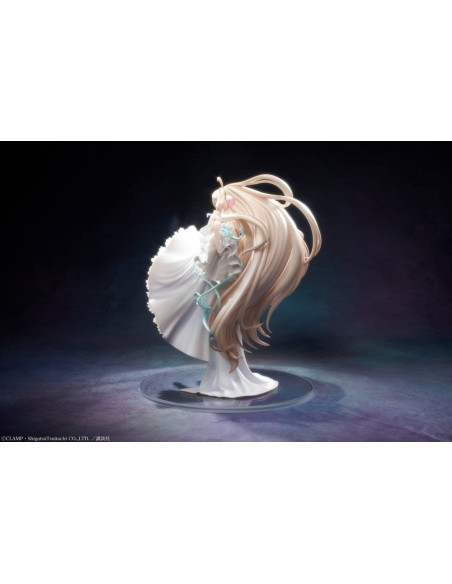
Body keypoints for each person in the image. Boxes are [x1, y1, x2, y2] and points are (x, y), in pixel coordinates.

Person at [146, 174, 321, 398]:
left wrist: (213, 236)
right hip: (219, 285)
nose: (216, 208)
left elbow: (219, 253)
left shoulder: (227, 225)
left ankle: (228, 378)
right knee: (222, 328)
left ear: (229, 203)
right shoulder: (228, 223)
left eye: (218, 203)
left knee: (222, 328)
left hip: (219, 285)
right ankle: (227, 375)